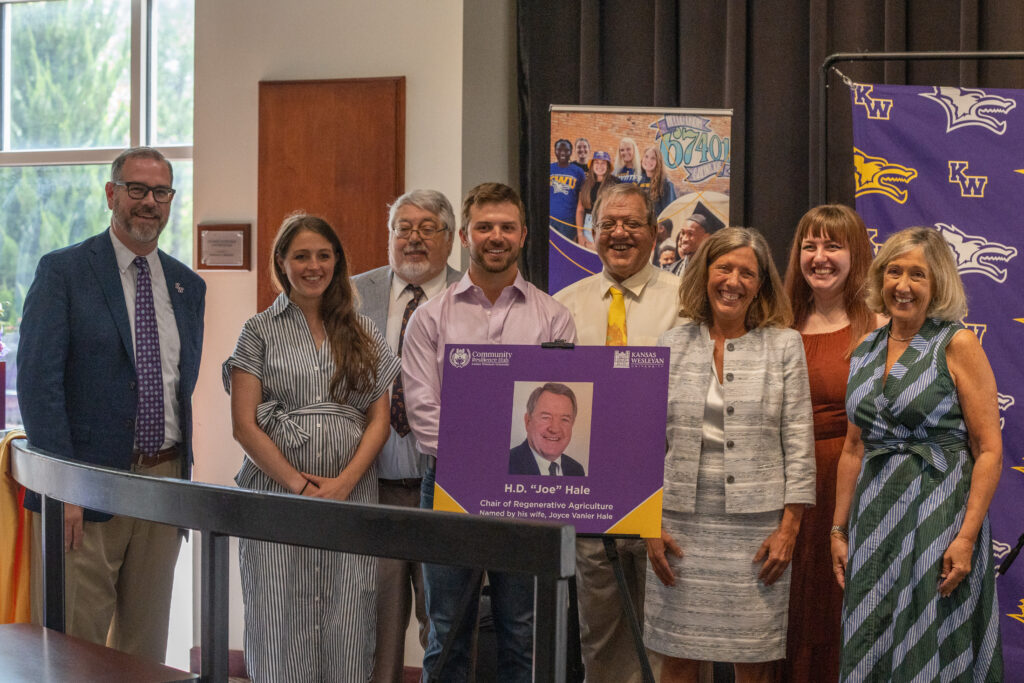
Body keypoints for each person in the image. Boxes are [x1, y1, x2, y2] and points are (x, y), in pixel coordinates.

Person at [17, 146, 205, 661]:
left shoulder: (188, 286)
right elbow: (38, 384)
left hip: (164, 483)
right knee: (75, 646)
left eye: (160, 192)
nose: (149, 202)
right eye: (137, 189)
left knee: (145, 647)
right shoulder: (64, 272)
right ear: (111, 194)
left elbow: (179, 388)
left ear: (171, 200)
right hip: (85, 485)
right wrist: (64, 488)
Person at [402, 182, 576, 682]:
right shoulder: (429, 318)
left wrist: (506, 467)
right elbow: (424, 415)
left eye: (506, 227)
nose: (495, 236)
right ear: (464, 236)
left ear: (523, 235)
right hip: (450, 486)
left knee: (522, 632)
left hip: (529, 491)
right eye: (484, 227)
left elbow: (555, 405)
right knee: (447, 630)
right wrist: (489, 463)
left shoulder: (554, 319)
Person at [224, 213, 400, 682]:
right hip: (276, 499)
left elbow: (379, 421)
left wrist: (342, 485)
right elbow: (244, 426)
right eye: (301, 256)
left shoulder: (363, 331)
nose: (313, 266)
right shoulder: (258, 331)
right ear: (282, 262)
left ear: (337, 261)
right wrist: (300, 488)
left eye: (323, 255)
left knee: (348, 613)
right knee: (278, 610)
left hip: (352, 499)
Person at [831, 227, 1003, 682]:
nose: (902, 285)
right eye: (894, 272)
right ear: (880, 277)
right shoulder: (865, 347)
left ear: (937, 283)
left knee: (929, 636)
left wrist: (966, 538)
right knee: (870, 629)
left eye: (917, 275)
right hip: (874, 518)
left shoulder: (957, 343)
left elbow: (988, 449)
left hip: (939, 514)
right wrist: (839, 529)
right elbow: (853, 448)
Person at [646, 227, 815, 683]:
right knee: (677, 659)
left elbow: (800, 444)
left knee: (754, 662)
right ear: (704, 273)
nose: (733, 282)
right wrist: (648, 527)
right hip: (677, 526)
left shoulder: (785, 345)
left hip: (758, 531)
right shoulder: (670, 344)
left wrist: (789, 530)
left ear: (760, 285)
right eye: (724, 268)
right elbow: (646, 445)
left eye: (747, 273)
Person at [555, 182, 684, 683]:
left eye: (632, 223)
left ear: (654, 232)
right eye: (608, 223)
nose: (619, 233)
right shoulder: (563, 307)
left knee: (667, 634)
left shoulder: (686, 301)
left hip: (666, 491)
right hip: (592, 493)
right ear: (591, 232)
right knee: (601, 632)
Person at [351, 190, 461, 683]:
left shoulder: (472, 296)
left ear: (450, 238)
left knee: (449, 630)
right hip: (374, 491)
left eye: (427, 228)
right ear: (390, 235)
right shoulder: (351, 295)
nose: (413, 238)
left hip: (449, 494)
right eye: (403, 228)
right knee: (374, 634)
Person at [779, 204, 882, 683]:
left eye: (833, 246)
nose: (819, 257)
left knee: (841, 608)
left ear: (856, 253)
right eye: (810, 246)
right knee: (789, 614)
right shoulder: (777, 325)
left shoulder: (879, 328)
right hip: (785, 491)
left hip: (853, 486)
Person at [509, 383, 584, 476]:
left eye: (564, 419)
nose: (554, 429)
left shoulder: (577, 470)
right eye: (546, 417)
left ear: (572, 424)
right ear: (528, 421)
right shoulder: (508, 465)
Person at [575, 150, 620, 248]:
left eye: (603, 163)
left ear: (608, 166)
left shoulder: (616, 183)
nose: (600, 166)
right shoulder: (585, 183)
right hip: (588, 224)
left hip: (607, 224)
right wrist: (580, 234)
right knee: (588, 254)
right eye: (597, 162)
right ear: (592, 165)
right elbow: (580, 210)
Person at [550, 138, 587, 241]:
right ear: (555, 151)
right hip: (550, 220)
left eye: (566, 150)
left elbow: (582, 200)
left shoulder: (578, 172)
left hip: (568, 222)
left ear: (571, 152)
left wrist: (579, 228)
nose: (562, 153)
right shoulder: (549, 169)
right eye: (559, 149)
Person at [668, 208, 723, 276]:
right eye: (683, 233)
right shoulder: (673, 269)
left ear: (707, 238)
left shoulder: (714, 270)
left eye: (690, 234)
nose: (684, 239)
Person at [638, 146, 677, 219]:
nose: (648, 160)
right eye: (646, 156)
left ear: (658, 162)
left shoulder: (666, 183)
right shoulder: (639, 180)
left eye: (653, 158)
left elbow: (669, 212)